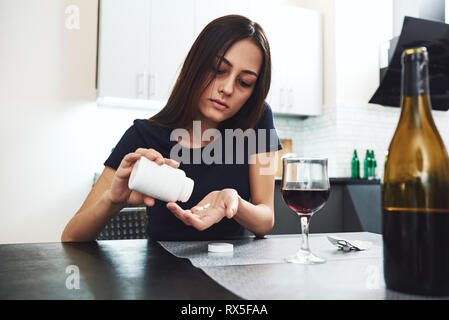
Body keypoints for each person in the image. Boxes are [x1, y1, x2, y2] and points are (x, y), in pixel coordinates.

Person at [61, 15, 283, 242]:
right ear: (196, 65)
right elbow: (70, 237)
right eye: (218, 69)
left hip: (233, 271)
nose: (227, 89)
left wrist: (233, 201)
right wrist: (113, 201)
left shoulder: (257, 123)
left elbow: (265, 220)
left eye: (244, 82)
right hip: (162, 272)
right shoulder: (143, 136)